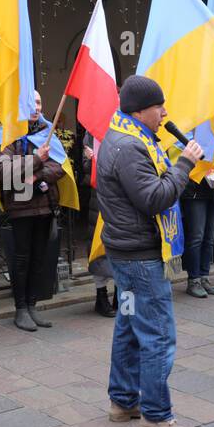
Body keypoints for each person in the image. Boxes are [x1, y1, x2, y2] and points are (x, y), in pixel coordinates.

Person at [96, 75, 203, 427]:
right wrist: (184, 164)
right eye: (159, 106)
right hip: (140, 259)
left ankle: (123, 401)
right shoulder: (130, 147)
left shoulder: (124, 136)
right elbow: (155, 197)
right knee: (157, 333)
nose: (164, 113)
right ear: (140, 110)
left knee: (128, 324)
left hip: (127, 254)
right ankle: (157, 417)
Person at [0, 91, 65, 332]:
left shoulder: (48, 131)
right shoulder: (9, 133)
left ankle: (33, 305)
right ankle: (20, 308)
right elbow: (4, 172)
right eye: (31, 102)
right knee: (22, 259)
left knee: (39, 258)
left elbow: (60, 167)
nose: (36, 106)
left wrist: (34, 175)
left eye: (39, 101)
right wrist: (36, 159)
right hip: (20, 207)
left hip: (45, 205)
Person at [81, 136, 116, 317]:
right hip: (99, 197)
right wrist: (93, 160)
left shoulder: (127, 126)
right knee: (98, 246)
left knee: (122, 245)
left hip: (123, 196)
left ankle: (120, 294)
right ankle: (101, 296)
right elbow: (85, 168)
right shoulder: (91, 130)